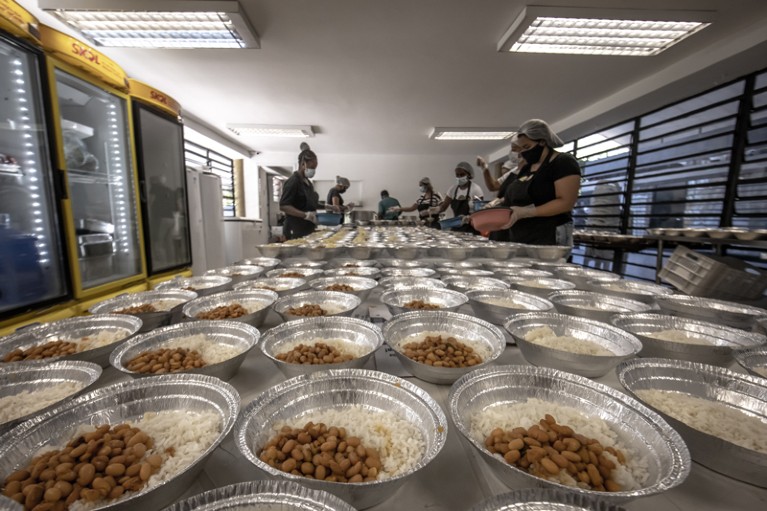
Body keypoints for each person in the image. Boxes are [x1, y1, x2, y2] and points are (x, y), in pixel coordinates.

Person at [492, 119, 581, 246]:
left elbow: (565, 202)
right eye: (521, 148)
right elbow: (514, 195)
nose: (523, 152)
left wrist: (526, 212)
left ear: (542, 141)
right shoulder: (527, 168)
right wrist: (498, 204)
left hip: (549, 235)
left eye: (527, 147)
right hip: (521, 235)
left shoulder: (563, 162)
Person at [279, 142, 320, 240]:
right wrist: (305, 215)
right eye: (312, 168)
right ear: (303, 164)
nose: (313, 171)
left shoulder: (308, 183)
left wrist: (328, 206)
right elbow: (284, 206)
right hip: (295, 229)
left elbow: (311, 203)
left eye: (315, 168)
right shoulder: (293, 181)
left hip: (307, 228)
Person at [434, 161, 484, 232]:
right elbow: (443, 207)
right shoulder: (453, 189)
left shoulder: (476, 189)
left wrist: (468, 218)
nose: (459, 177)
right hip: (456, 226)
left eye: (462, 174)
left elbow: (480, 212)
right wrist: (432, 210)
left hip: (471, 227)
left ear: (469, 175)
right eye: (457, 175)